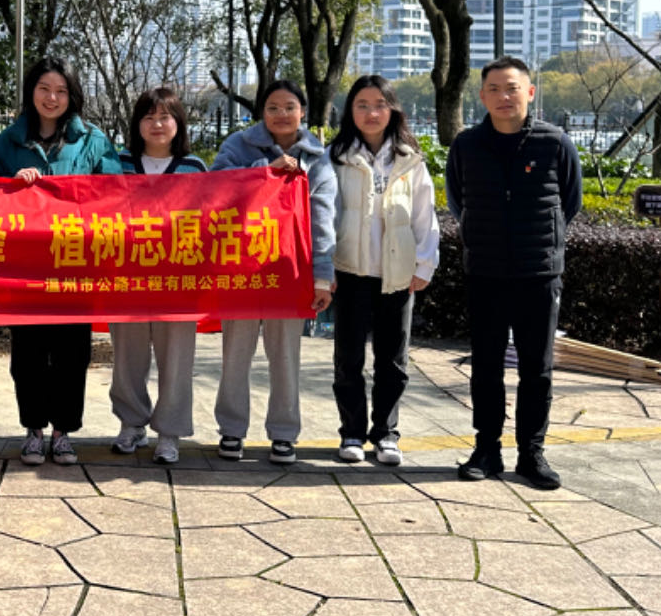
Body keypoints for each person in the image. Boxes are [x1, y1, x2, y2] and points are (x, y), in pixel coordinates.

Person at [446, 56, 582, 491]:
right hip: (485, 272)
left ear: (530, 92)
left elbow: (570, 202)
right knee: (486, 367)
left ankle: (531, 453)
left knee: (536, 369)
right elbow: (457, 201)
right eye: (494, 89)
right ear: (482, 96)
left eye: (512, 88)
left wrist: (542, 243)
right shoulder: (466, 145)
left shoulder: (555, 143)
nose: (503, 97)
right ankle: (487, 449)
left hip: (538, 273)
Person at [0, 56, 122, 466]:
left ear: (71, 96)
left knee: (72, 354)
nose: (52, 98)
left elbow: (115, 190)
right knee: (27, 354)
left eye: (60, 90)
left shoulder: (92, 139)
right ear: (31, 92)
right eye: (44, 89)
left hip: (75, 264)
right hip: (25, 268)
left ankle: (63, 432)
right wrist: (10, 186)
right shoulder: (9, 141)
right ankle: (33, 430)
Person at [211, 80, 337, 464]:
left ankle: (284, 433)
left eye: (290, 107)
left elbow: (323, 220)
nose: (282, 114)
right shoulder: (238, 145)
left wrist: (322, 276)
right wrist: (265, 171)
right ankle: (232, 429)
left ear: (303, 112)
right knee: (236, 354)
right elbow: (216, 188)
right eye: (273, 107)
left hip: (289, 273)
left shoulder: (317, 158)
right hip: (242, 269)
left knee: (285, 356)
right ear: (261, 112)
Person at [327, 75, 439, 467]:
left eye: (379, 104)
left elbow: (424, 215)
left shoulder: (410, 159)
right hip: (349, 271)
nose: (371, 113)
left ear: (392, 110)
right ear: (350, 111)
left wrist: (424, 263)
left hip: (397, 274)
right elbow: (324, 216)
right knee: (348, 359)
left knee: (392, 360)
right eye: (362, 105)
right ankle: (352, 433)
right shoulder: (336, 157)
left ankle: (386, 434)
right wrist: (324, 268)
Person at [110, 86, 207, 467]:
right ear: (137, 123)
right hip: (127, 281)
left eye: (165, 117)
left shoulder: (194, 168)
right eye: (148, 117)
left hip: (178, 284)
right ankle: (131, 423)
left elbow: (211, 221)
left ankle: (169, 432)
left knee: (177, 360)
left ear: (178, 122)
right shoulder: (117, 163)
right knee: (127, 358)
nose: (157, 124)